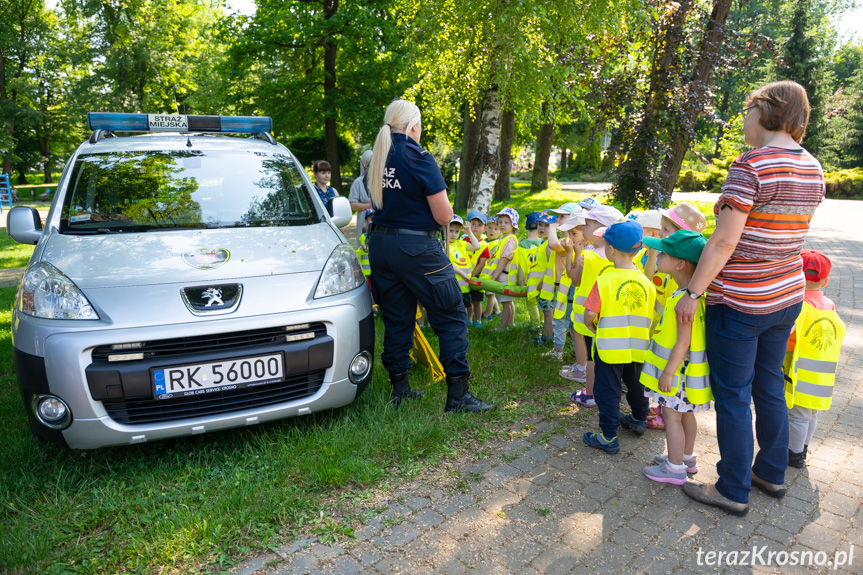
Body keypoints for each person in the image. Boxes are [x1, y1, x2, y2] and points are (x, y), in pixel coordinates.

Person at [676, 81, 826, 516]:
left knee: (734, 396)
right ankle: (771, 472)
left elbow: (723, 242)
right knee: (769, 388)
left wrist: (693, 290)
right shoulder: (812, 166)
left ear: (764, 111)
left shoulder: (751, 166)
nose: (743, 119)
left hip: (740, 302)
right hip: (786, 296)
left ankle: (733, 487)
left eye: (747, 109)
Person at [366, 99, 494, 413]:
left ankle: (400, 390)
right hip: (416, 249)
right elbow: (444, 216)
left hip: (380, 246)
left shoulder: (378, 157)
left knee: (397, 318)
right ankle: (459, 396)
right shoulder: (418, 156)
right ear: (413, 127)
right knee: (451, 315)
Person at [639, 231, 713, 485]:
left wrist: (668, 373)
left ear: (680, 264)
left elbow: (683, 341)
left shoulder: (684, 300)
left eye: (663, 253)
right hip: (688, 373)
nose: (657, 256)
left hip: (677, 373)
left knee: (671, 415)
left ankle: (674, 468)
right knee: (686, 414)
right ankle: (686, 457)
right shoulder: (695, 295)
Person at [581, 220, 656, 454]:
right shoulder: (646, 282)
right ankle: (639, 418)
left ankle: (608, 436)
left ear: (610, 250)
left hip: (609, 348)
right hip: (639, 346)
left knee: (608, 390)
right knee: (636, 385)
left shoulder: (605, 280)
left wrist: (592, 326)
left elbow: (590, 314)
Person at [784, 249, 845, 468]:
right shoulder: (829, 305)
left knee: (797, 414)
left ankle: (794, 453)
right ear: (826, 281)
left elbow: (786, 335)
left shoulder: (798, 306)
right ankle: (804, 447)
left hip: (797, 368)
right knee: (811, 412)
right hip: (821, 370)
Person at [567, 205, 623, 405]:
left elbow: (576, 281)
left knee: (592, 356)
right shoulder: (621, 257)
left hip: (589, 317)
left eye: (588, 223)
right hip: (612, 316)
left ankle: (590, 394)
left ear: (602, 230)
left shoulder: (587, 257)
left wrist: (575, 257)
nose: (583, 227)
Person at [489, 207, 520, 330]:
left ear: (513, 225)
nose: (502, 225)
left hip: (504, 276)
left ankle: (503, 327)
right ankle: (510, 324)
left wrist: (494, 276)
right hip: (505, 275)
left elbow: (504, 260)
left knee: (505, 303)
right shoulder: (504, 238)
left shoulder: (510, 239)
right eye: (500, 222)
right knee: (508, 302)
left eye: (506, 222)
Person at [446, 215, 481, 317]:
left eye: (457, 232)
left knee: (464, 308)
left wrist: (470, 233)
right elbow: (448, 263)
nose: (453, 234)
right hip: (452, 285)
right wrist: (462, 273)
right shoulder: (443, 245)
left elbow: (477, 246)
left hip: (464, 286)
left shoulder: (462, 243)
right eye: (451, 230)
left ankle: (463, 328)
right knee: (452, 308)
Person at [465, 210, 490, 327]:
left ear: (485, 228)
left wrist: (472, 275)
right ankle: (469, 318)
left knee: (477, 300)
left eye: (479, 225)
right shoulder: (464, 241)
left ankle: (478, 319)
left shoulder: (484, 245)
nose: (476, 227)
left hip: (476, 276)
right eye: (473, 224)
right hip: (464, 275)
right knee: (467, 301)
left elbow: (482, 263)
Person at [348, 151, 374, 243]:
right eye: (369, 163)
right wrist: (370, 205)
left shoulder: (381, 180)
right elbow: (352, 205)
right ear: (364, 165)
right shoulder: (358, 182)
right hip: (364, 223)